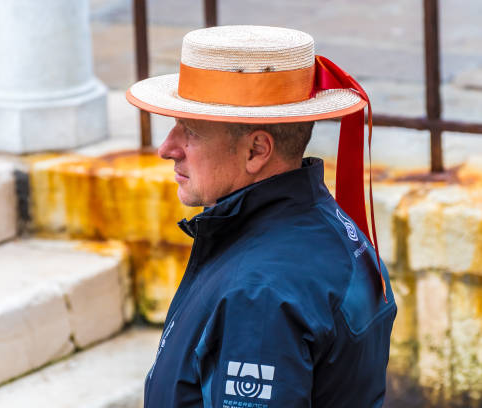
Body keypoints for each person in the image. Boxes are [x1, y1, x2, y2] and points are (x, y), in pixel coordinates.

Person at [126, 25, 397, 408]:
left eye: (190, 131)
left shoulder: (258, 294)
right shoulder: (330, 227)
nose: (167, 148)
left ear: (256, 150)